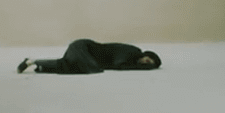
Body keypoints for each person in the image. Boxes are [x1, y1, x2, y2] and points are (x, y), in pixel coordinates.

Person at [17, 40, 162, 74]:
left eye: (148, 65)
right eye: (147, 61)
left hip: (84, 51)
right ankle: (41, 67)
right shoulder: (133, 52)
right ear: (145, 55)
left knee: (68, 64)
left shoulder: (132, 58)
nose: (145, 64)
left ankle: (34, 63)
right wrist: (145, 69)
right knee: (92, 69)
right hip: (82, 46)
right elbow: (119, 66)